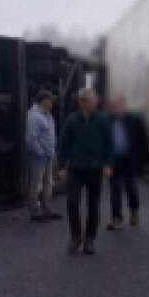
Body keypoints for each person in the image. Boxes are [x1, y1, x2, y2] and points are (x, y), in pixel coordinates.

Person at [57, 87, 113, 255]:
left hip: (95, 169)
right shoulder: (72, 120)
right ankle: (75, 236)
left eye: (95, 99)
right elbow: (64, 144)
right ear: (83, 102)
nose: (96, 102)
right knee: (72, 202)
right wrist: (61, 166)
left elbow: (109, 144)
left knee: (93, 205)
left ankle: (89, 239)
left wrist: (108, 164)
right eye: (92, 100)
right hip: (75, 168)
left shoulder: (102, 120)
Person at [106, 94, 149, 230]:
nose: (114, 108)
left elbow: (144, 141)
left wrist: (145, 161)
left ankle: (134, 211)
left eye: (117, 105)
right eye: (112, 106)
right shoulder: (106, 120)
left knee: (131, 188)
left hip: (130, 160)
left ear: (123, 105)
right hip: (113, 160)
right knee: (115, 190)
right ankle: (116, 218)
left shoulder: (134, 119)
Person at [25, 90, 60, 222]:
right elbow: (30, 139)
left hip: (48, 155)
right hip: (38, 157)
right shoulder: (34, 116)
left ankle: (47, 208)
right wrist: (40, 152)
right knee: (36, 184)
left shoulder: (47, 115)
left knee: (48, 183)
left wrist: (51, 152)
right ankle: (35, 212)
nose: (52, 103)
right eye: (51, 100)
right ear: (44, 101)